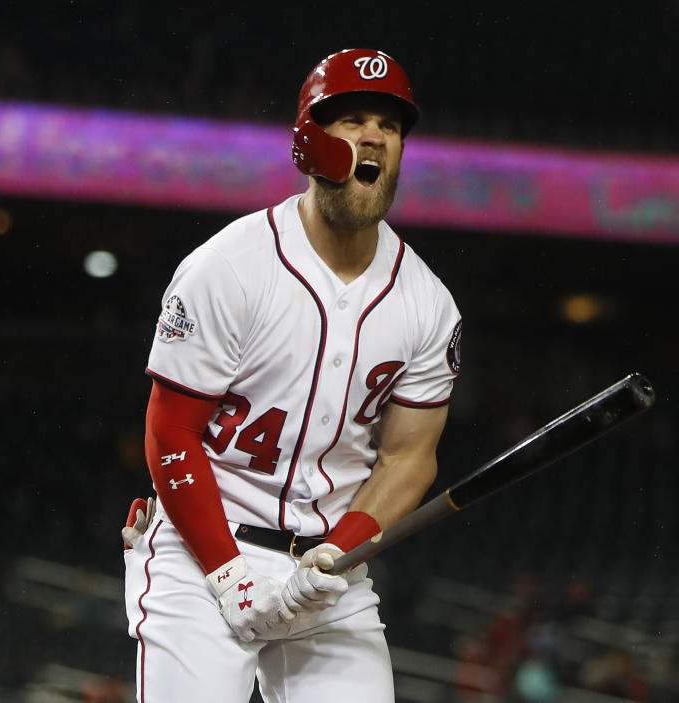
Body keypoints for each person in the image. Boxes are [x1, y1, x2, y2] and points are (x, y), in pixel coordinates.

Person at [122, 48, 463, 703]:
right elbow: (170, 432)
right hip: (202, 554)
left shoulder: (428, 303)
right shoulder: (228, 266)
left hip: (329, 572)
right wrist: (227, 574)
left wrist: (338, 551)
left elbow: (407, 459)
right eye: (350, 119)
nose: (372, 135)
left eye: (388, 125)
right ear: (306, 140)